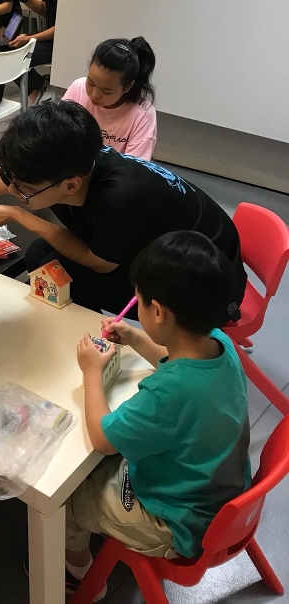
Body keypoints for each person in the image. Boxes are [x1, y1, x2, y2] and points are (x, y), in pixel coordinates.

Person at [0, 100, 247, 323]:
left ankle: (90, 340)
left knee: (57, 267)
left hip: (205, 288)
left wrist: (20, 215)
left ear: (71, 185)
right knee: (40, 255)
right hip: (159, 250)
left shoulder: (120, 200)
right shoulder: (68, 160)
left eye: (23, 189)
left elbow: (97, 263)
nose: (11, 189)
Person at [64, 231, 250, 596]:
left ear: (159, 312)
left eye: (140, 301)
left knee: (69, 499)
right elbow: (173, 359)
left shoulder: (168, 393)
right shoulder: (220, 343)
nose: (136, 306)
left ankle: (78, 575)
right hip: (218, 491)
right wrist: (135, 337)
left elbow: (102, 440)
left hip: (178, 520)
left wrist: (91, 373)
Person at [63, 37, 157, 160]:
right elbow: (58, 134)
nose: (94, 95)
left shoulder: (142, 114)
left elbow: (134, 167)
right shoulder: (78, 88)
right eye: (90, 83)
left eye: (106, 91)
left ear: (127, 87)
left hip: (111, 170)